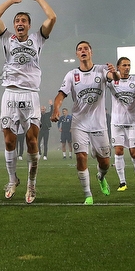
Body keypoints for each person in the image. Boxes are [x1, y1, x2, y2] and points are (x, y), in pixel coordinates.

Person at [0, 0, 56, 204]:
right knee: (9, 141)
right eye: (17, 20)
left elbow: (52, 17)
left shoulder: (38, 39)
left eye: (24, 21)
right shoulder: (6, 39)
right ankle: (12, 179)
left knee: (31, 141)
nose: (20, 23)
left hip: (31, 95)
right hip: (9, 94)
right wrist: (10, 1)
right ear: (14, 25)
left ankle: (31, 183)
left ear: (28, 25)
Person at [51, 41, 112, 204]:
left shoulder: (102, 70)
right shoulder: (71, 75)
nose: (83, 51)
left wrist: (115, 73)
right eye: (79, 49)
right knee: (81, 157)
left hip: (98, 124)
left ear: (91, 52)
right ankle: (88, 195)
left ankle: (101, 176)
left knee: (105, 162)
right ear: (77, 54)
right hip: (79, 123)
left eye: (86, 48)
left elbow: (113, 77)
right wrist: (56, 109)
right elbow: (60, 95)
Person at [106, 56, 135, 191]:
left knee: (134, 153)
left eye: (129, 65)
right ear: (119, 67)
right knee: (118, 151)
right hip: (117, 122)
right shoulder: (112, 81)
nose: (127, 68)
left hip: (132, 122)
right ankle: (122, 182)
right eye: (124, 65)